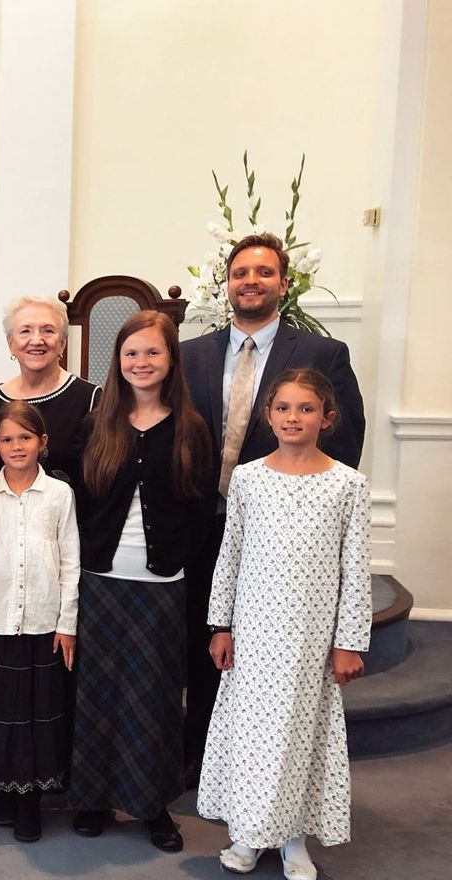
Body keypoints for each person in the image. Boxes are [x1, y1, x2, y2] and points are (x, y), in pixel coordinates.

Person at [181, 233, 366, 784]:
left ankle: (272, 766)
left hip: (280, 532)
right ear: (227, 284)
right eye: (241, 273)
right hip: (198, 521)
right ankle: (202, 757)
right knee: (205, 638)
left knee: (269, 659)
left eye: (264, 273)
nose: (251, 282)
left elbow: (346, 437)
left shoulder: (321, 353)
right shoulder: (193, 353)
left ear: (284, 284)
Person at [197, 369, 371, 880]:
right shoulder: (249, 478)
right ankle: (248, 832)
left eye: (306, 409)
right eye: (284, 408)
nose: (294, 417)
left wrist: (348, 642)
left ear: (327, 417)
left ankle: (294, 835)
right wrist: (220, 624)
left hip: (310, 639)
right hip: (254, 632)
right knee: (253, 734)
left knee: (298, 735)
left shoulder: (347, 484)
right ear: (267, 416)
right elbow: (230, 555)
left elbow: (355, 567)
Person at [69, 310, 216, 852]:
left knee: (153, 696)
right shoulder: (96, 425)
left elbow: (201, 510)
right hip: (101, 580)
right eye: (131, 353)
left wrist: (175, 559)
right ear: (119, 361)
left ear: (170, 360)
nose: (141, 362)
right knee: (98, 693)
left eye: (152, 352)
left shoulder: (190, 429)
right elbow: (80, 502)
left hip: (162, 585)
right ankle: (91, 798)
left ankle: (152, 804)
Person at [0, 401, 79, 842]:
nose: (17, 446)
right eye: (8, 439)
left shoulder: (59, 495)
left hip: (44, 625)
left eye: (26, 438)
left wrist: (66, 622)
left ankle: (30, 799)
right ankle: (3, 792)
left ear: (42, 443)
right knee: (2, 714)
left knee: (36, 716)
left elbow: (71, 560)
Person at [0, 295, 101, 482]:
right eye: (25, 331)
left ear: (62, 342)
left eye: (48, 331)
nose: (36, 340)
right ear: (11, 343)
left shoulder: (92, 399)